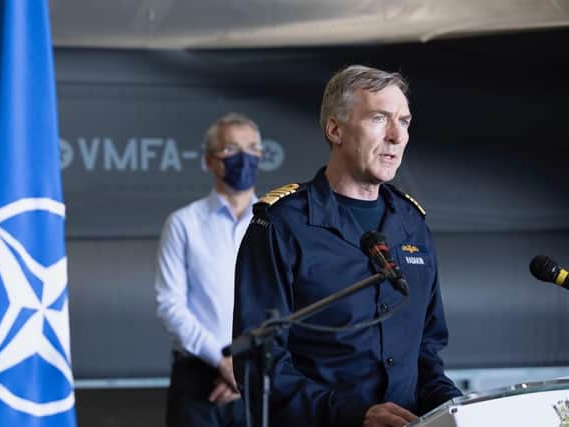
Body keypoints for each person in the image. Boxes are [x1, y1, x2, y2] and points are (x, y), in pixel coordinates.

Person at [232, 65, 462, 427]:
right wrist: (350, 415)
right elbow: (260, 364)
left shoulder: (411, 223)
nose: (395, 136)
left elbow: (426, 352)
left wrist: (456, 407)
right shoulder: (282, 224)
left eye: (404, 122)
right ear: (335, 129)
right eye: (379, 118)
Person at [155, 113, 263, 427]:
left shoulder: (273, 223)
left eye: (252, 148)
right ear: (210, 160)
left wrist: (246, 372)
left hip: (260, 378)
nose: (244, 158)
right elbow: (169, 305)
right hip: (197, 382)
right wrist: (222, 362)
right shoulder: (183, 223)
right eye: (231, 149)